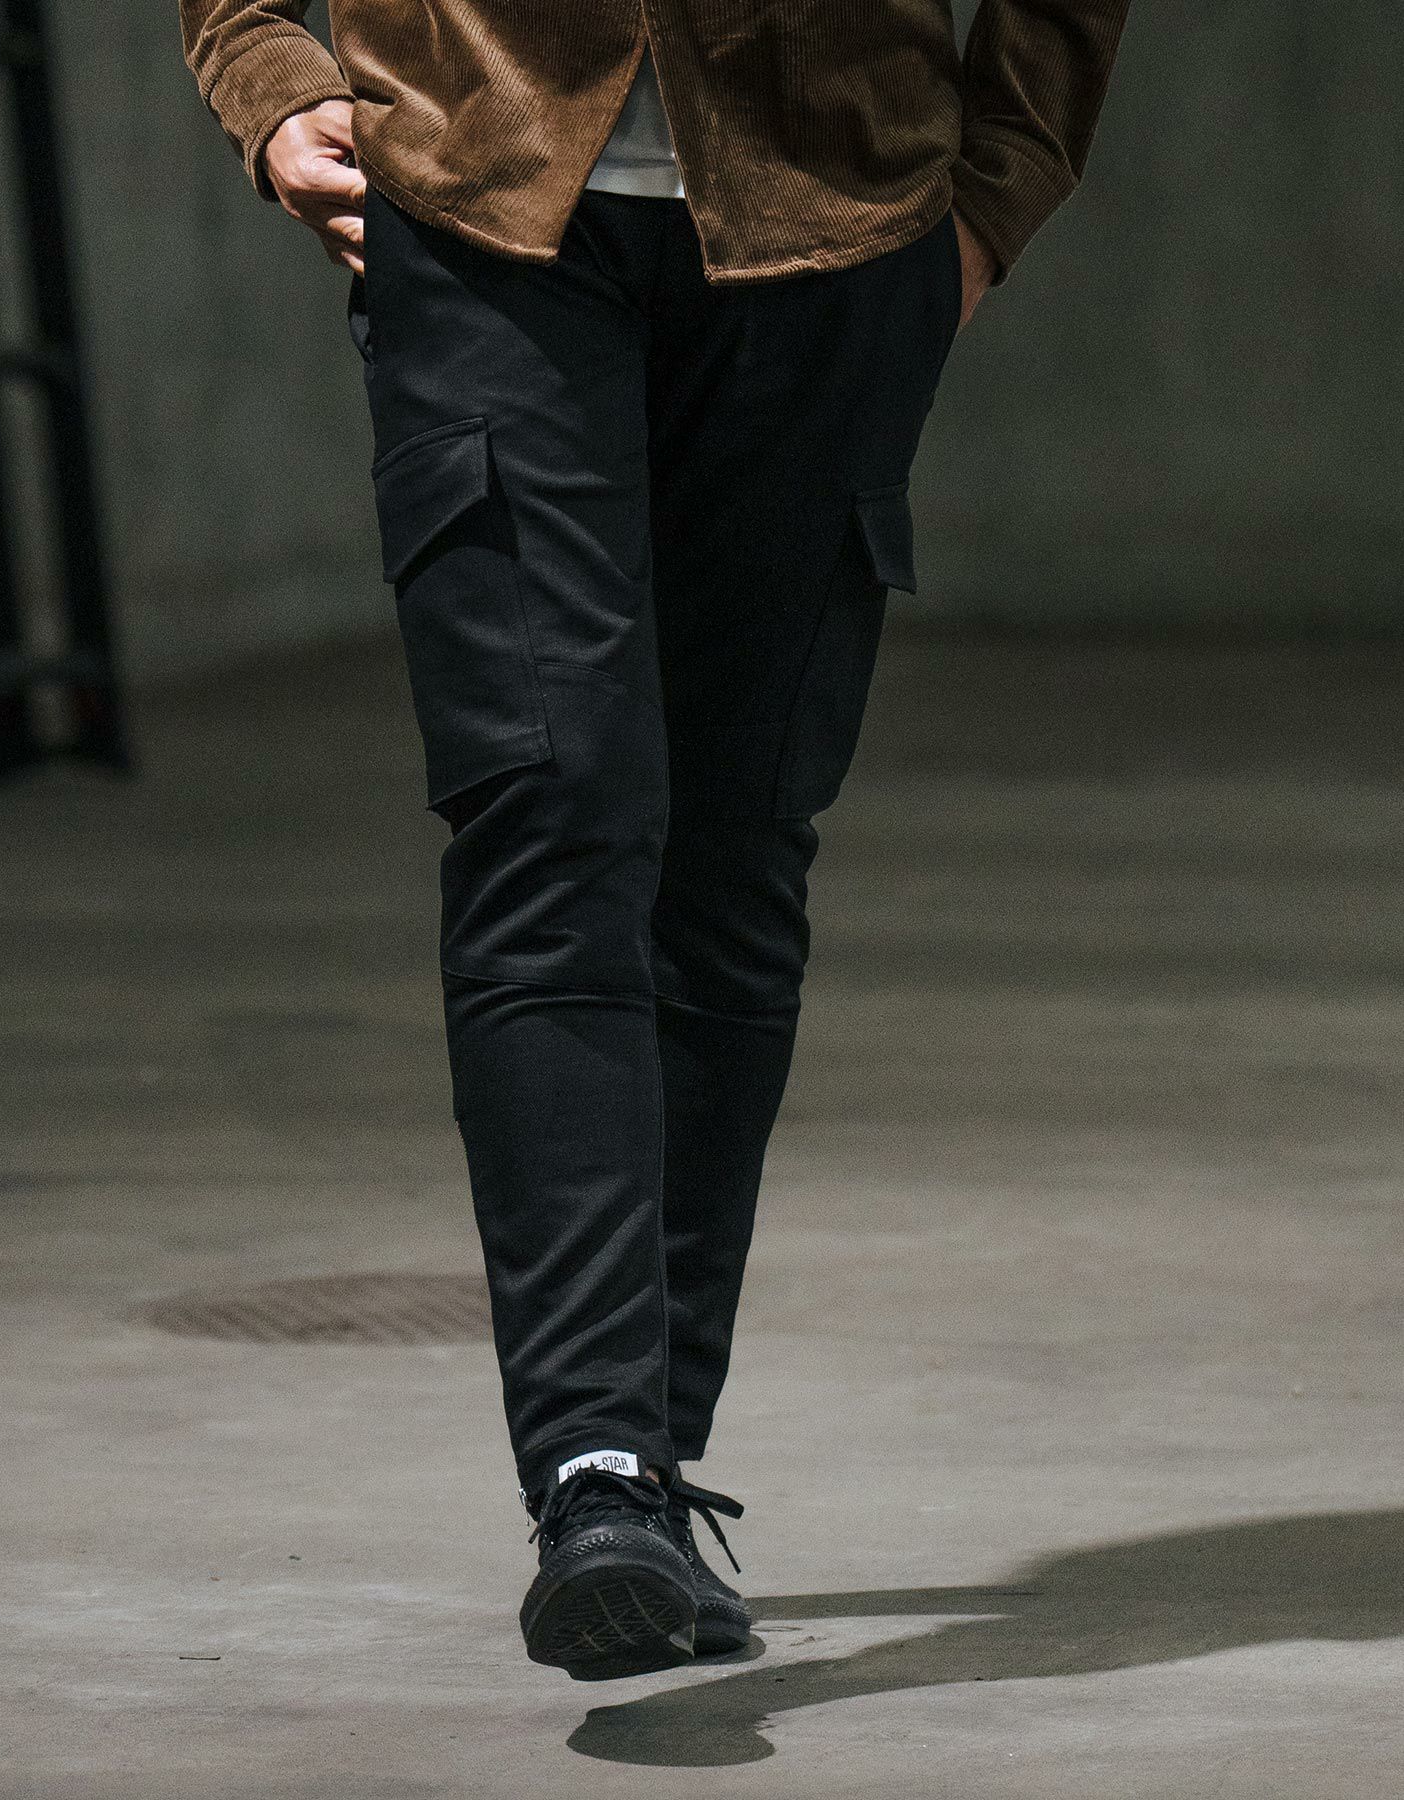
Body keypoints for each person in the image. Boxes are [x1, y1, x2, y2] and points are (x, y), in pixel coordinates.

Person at [179, 0, 1131, 1682]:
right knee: (551, 812)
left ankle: (645, 1478)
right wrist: (264, 65)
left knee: (733, 856)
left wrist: (998, 189)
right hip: (479, 200)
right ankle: (596, 1470)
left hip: (836, 220)